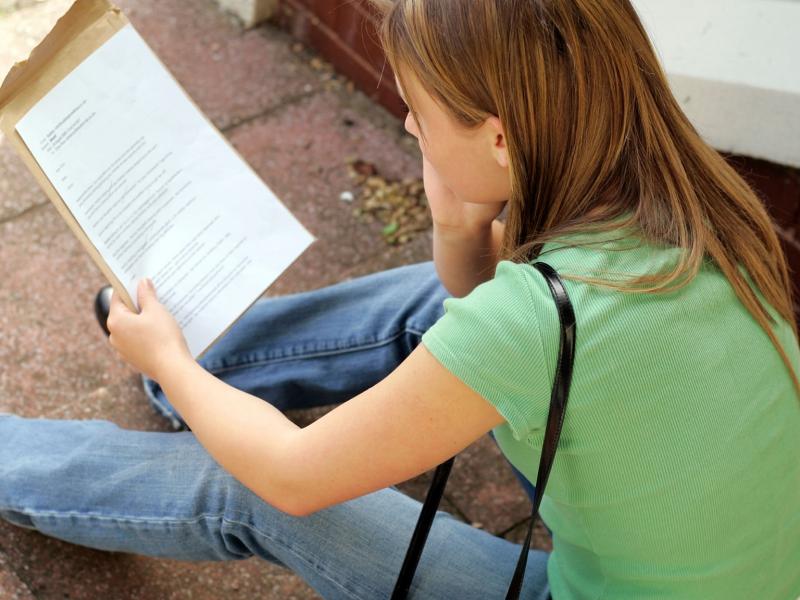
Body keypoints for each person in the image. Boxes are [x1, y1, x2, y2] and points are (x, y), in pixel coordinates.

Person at [1, 0, 798, 598]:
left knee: (245, 482)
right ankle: (208, 360)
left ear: (498, 139)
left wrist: (172, 367)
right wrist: (456, 227)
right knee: (441, 303)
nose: (410, 123)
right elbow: (498, 313)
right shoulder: (696, 203)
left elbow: (292, 476)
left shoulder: (533, 318)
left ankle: (128, 393)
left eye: (418, 105)